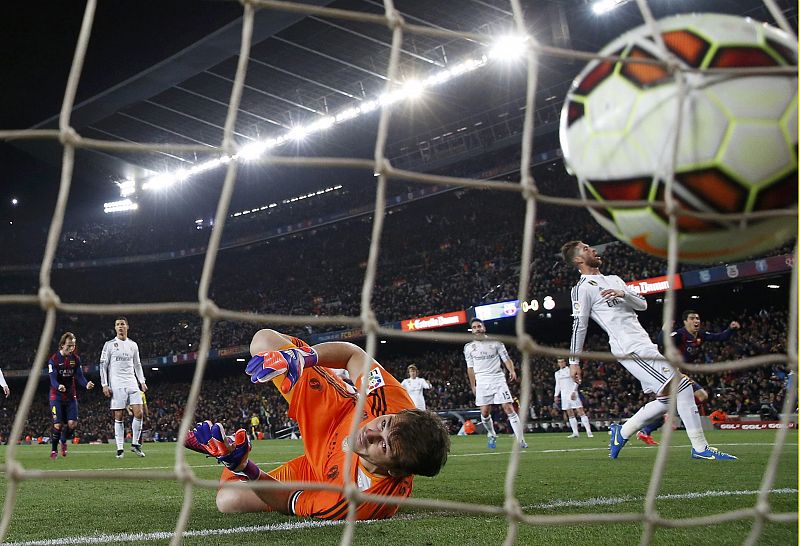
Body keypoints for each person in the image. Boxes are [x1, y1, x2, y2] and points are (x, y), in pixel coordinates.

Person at [184, 329, 450, 520]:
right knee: (263, 341)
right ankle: (316, 371)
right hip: (335, 410)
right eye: (384, 424)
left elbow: (288, 501)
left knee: (229, 500)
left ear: (394, 473)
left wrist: (244, 467)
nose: (370, 432)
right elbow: (353, 355)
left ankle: (228, 448)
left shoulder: (354, 502)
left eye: (383, 445)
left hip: (317, 473)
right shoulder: (391, 402)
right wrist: (304, 357)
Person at [561, 241, 735, 460]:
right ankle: (700, 448)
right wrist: (574, 361)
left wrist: (622, 294)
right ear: (578, 260)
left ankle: (621, 432)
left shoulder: (614, 279)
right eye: (586, 249)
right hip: (629, 348)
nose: (593, 250)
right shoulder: (582, 289)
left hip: (644, 343)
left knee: (667, 399)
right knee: (682, 385)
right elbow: (580, 325)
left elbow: (642, 304)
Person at [636, 310, 741, 446]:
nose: (696, 321)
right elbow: (662, 342)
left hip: (680, 374)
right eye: (692, 318)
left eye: (697, 318)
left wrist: (731, 329)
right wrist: (665, 329)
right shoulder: (680, 334)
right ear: (685, 322)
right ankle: (665, 418)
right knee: (699, 396)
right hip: (670, 374)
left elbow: (719, 337)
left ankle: (647, 430)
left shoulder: (700, 335)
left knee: (676, 403)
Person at [463, 318, 528, 449]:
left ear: (484, 328)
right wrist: (473, 385)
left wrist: (511, 370)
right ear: (472, 331)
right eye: (474, 327)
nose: (477, 329)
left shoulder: (495, 342)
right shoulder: (469, 348)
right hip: (482, 381)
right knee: (485, 412)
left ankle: (520, 440)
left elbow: (506, 359)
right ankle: (492, 434)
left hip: (498, 379)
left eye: (479, 326)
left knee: (508, 407)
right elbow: (470, 369)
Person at [99, 317, 147, 458]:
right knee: (119, 415)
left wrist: (142, 381)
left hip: (131, 381)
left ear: (127, 327)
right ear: (115, 328)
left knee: (139, 413)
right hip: (116, 382)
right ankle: (120, 448)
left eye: (122, 324)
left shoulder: (133, 345)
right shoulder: (109, 345)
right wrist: (104, 384)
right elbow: (103, 365)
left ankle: (135, 445)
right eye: (118, 325)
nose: (120, 327)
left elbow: (137, 365)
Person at [47, 332, 94, 459]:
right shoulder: (53, 360)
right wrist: (58, 386)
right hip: (56, 396)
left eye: (73, 346)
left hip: (70, 396)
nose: (71, 348)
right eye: (68, 346)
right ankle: (53, 451)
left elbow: (79, 376)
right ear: (62, 345)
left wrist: (86, 384)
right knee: (58, 425)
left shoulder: (76, 359)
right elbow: (52, 379)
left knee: (72, 424)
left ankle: (63, 440)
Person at [553, 358, 593, 438]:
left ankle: (589, 432)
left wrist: (574, 391)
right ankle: (575, 432)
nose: (561, 364)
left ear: (565, 362)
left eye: (562, 362)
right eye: (559, 362)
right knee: (570, 413)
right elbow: (558, 385)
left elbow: (577, 380)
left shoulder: (571, 370)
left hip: (572, 393)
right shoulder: (557, 373)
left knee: (580, 411)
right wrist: (556, 395)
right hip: (564, 395)